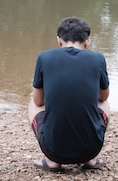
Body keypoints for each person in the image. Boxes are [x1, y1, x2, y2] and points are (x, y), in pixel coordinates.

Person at [28, 16, 111, 172]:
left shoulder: (44, 57)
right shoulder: (98, 58)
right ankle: (90, 160)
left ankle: (52, 161)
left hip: (53, 150)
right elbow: (104, 96)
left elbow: (38, 101)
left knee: (33, 103)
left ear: (59, 41)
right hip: (91, 148)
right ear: (87, 42)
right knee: (103, 103)